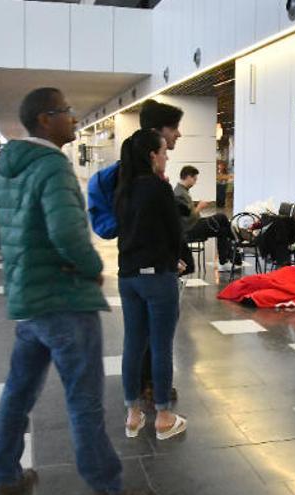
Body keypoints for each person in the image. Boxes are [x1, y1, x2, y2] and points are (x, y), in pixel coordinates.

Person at [0, 87, 150, 495]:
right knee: (84, 400)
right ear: (45, 119)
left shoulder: (8, 169)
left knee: (18, 393)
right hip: (63, 299)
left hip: (28, 299)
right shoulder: (51, 165)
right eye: (66, 111)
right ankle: (107, 485)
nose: (74, 117)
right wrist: (93, 267)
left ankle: (5, 474)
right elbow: (64, 230)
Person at [115, 128, 188, 442]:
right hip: (157, 277)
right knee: (160, 346)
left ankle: (133, 415)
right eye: (163, 151)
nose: (167, 155)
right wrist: (179, 260)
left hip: (128, 276)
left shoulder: (123, 189)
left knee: (133, 343)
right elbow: (175, 232)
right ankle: (164, 416)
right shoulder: (157, 189)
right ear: (152, 156)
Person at [174, 165, 239, 271]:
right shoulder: (179, 194)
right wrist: (199, 207)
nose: (195, 183)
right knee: (221, 217)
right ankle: (236, 242)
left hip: (193, 225)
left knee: (222, 230)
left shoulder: (182, 191)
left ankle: (225, 260)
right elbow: (187, 219)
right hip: (190, 229)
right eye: (194, 179)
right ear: (188, 177)